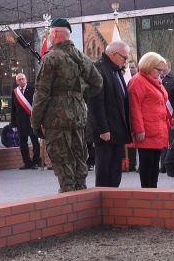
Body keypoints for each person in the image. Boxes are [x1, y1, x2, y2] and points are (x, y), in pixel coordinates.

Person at [31, 17, 103, 192]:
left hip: (56, 119)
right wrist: (77, 96)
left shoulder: (51, 57)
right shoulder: (81, 56)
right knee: (79, 159)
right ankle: (81, 197)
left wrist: (35, 121)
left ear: (54, 33)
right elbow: (97, 83)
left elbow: (42, 92)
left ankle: (68, 199)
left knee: (62, 161)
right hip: (77, 116)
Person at [87, 41, 132, 187]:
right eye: (124, 57)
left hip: (118, 128)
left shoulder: (115, 69)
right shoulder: (99, 69)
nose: (125, 61)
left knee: (115, 168)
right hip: (106, 130)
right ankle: (102, 198)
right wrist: (103, 129)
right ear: (113, 54)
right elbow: (96, 103)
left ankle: (113, 197)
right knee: (104, 168)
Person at [127, 52, 169, 188]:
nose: (161, 73)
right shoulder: (139, 81)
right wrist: (138, 129)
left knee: (154, 163)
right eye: (159, 70)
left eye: (162, 70)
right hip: (146, 129)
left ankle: (153, 191)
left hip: (157, 127)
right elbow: (134, 107)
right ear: (149, 66)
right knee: (147, 163)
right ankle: (147, 192)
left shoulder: (155, 81)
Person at [11, 73, 40, 170]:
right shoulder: (15, 92)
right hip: (21, 121)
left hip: (32, 119)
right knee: (23, 143)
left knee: (35, 142)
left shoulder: (33, 89)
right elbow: (13, 108)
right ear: (16, 81)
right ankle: (27, 162)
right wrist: (13, 123)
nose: (21, 81)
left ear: (26, 79)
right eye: (19, 80)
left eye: (23, 79)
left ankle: (36, 161)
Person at [159, 59, 174, 173]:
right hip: (159, 116)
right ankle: (163, 165)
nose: (161, 68)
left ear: (169, 67)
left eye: (164, 65)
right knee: (161, 142)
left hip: (171, 115)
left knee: (173, 142)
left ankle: (173, 165)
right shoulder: (155, 79)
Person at [125, 59, 138, 172]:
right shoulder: (125, 78)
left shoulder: (138, 80)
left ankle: (136, 163)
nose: (130, 69)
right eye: (129, 68)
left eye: (133, 67)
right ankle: (129, 163)